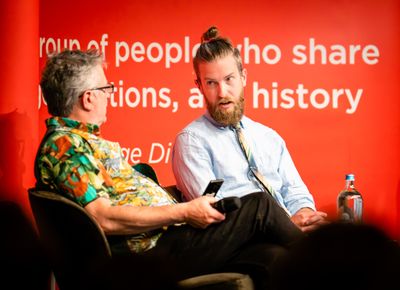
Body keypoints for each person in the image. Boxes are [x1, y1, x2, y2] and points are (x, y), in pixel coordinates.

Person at [36, 49, 305, 290]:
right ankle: (331, 267)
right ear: (88, 98)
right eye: (106, 88)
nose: (109, 95)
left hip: (169, 242)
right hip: (150, 255)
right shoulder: (66, 146)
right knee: (260, 206)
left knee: (272, 257)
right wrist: (185, 211)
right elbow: (104, 218)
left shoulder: (81, 141)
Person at [172, 26, 327, 232]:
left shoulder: (269, 137)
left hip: (290, 236)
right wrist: (285, 226)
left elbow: (296, 193)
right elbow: (214, 214)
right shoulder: (192, 141)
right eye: (211, 83)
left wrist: (304, 214)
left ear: (243, 77)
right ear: (199, 86)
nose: (222, 92)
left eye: (229, 79)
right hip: (243, 242)